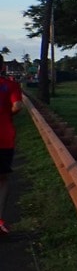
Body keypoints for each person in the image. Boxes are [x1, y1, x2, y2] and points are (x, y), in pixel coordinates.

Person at [0, 55, 25, 235]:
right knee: (1, 179)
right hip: (4, 137)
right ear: (2, 66)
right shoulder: (10, 85)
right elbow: (18, 106)